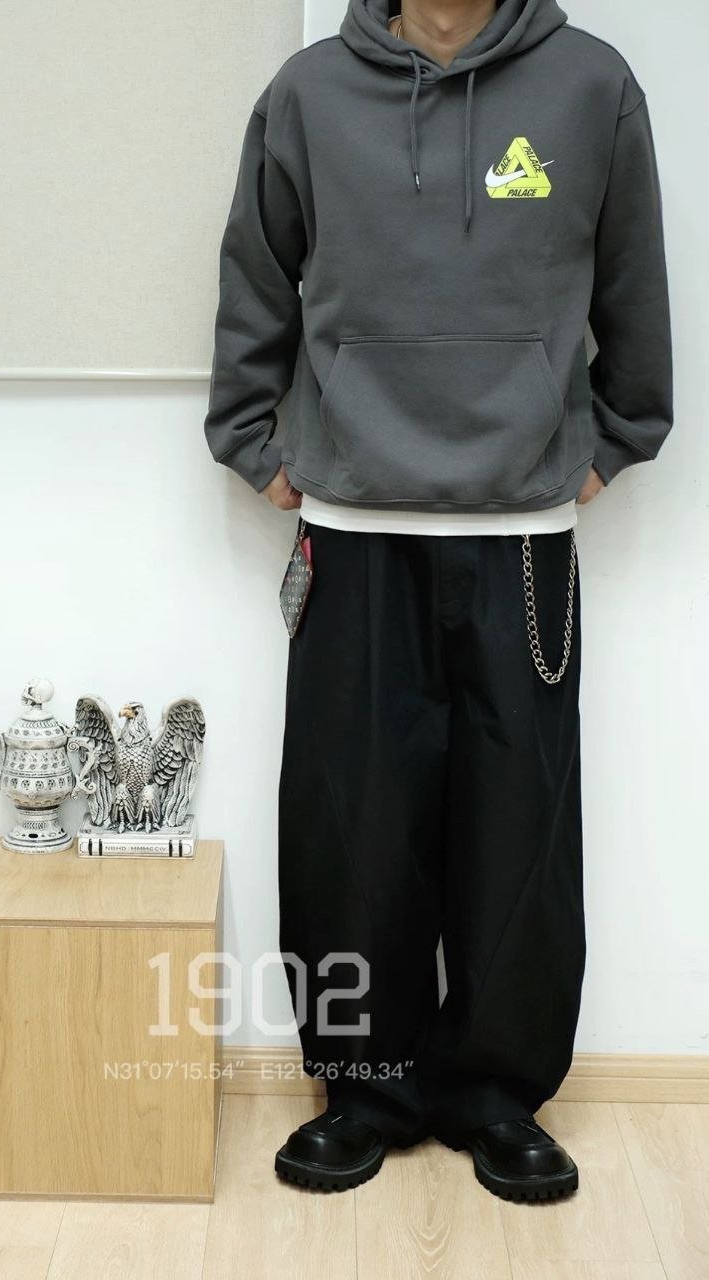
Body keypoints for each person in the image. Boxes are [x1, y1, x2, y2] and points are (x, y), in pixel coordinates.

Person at [204, 0, 673, 1203]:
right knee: (352, 824)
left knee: (518, 830)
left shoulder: (590, 86)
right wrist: (253, 441)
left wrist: (617, 436)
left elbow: (631, 279)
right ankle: (365, 1088)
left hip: (520, 533)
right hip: (352, 525)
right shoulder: (309, 95)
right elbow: (255, 275)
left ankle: (497, 1094)